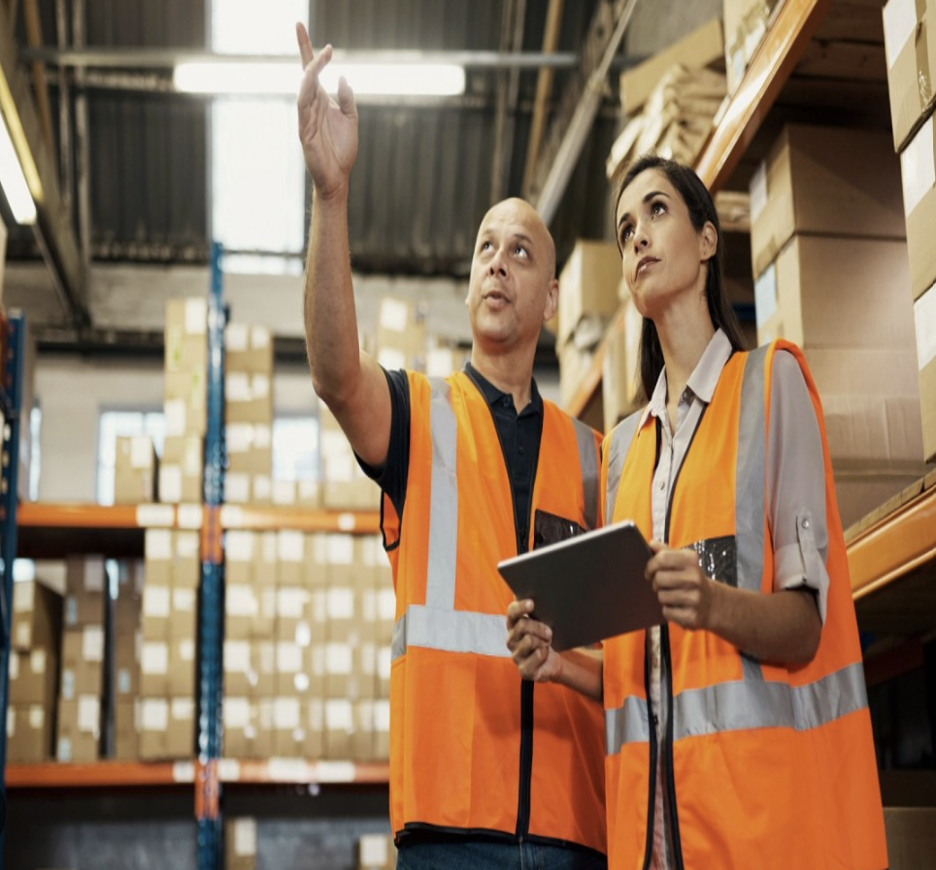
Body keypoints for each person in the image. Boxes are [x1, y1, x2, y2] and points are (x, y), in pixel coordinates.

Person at [507, 155, 888, 869]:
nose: (637, 239)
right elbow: (639, 671)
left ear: (708, 239)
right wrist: (561, 664)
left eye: (656, 212)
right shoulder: (623, 449)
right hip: (649, 841)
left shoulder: (772, 386)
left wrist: (711, 604)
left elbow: (807, 627)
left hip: (754, 832)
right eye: (624, 231)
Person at [295, 24, 608, 870]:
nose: (498, 264)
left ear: (550, 300)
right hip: (447, 831)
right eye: (485, 249)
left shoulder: (595, 458)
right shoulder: (416, 415)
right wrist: (331, 196)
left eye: (521, 252)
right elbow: (332, 372)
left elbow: (628, 656)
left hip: (575, 831)